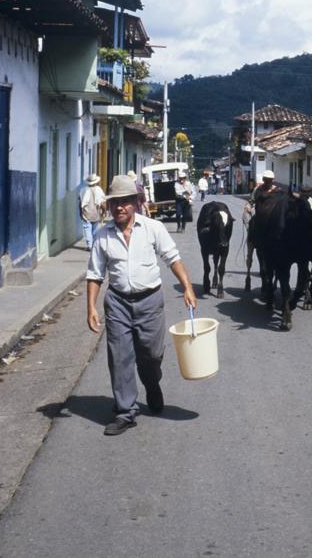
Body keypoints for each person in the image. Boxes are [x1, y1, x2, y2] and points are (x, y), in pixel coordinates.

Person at [86, 175, 197, 437]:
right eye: (115, 203)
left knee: (151, 355)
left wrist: (188, 287)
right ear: (109, 206)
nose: (120, 207)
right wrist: (90, 307)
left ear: (136, 203)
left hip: (150, 302)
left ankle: (152, 384)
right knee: (120, 358)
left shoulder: (152, 228)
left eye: (125, 202)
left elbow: (173, 258)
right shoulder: (103, 236)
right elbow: (95, 274)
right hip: (118, 303)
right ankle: (125, 412)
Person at [79, 173, 106, 250]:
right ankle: (94, 245)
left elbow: (80, 202)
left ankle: (90, 246)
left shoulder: (83, 190)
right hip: (96, 213)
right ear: (96, 182)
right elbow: (102, 203)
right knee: (95, 230)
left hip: (86, 213)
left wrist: (80, 212)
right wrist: (104, 211)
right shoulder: (98, 190)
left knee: (87, 229)